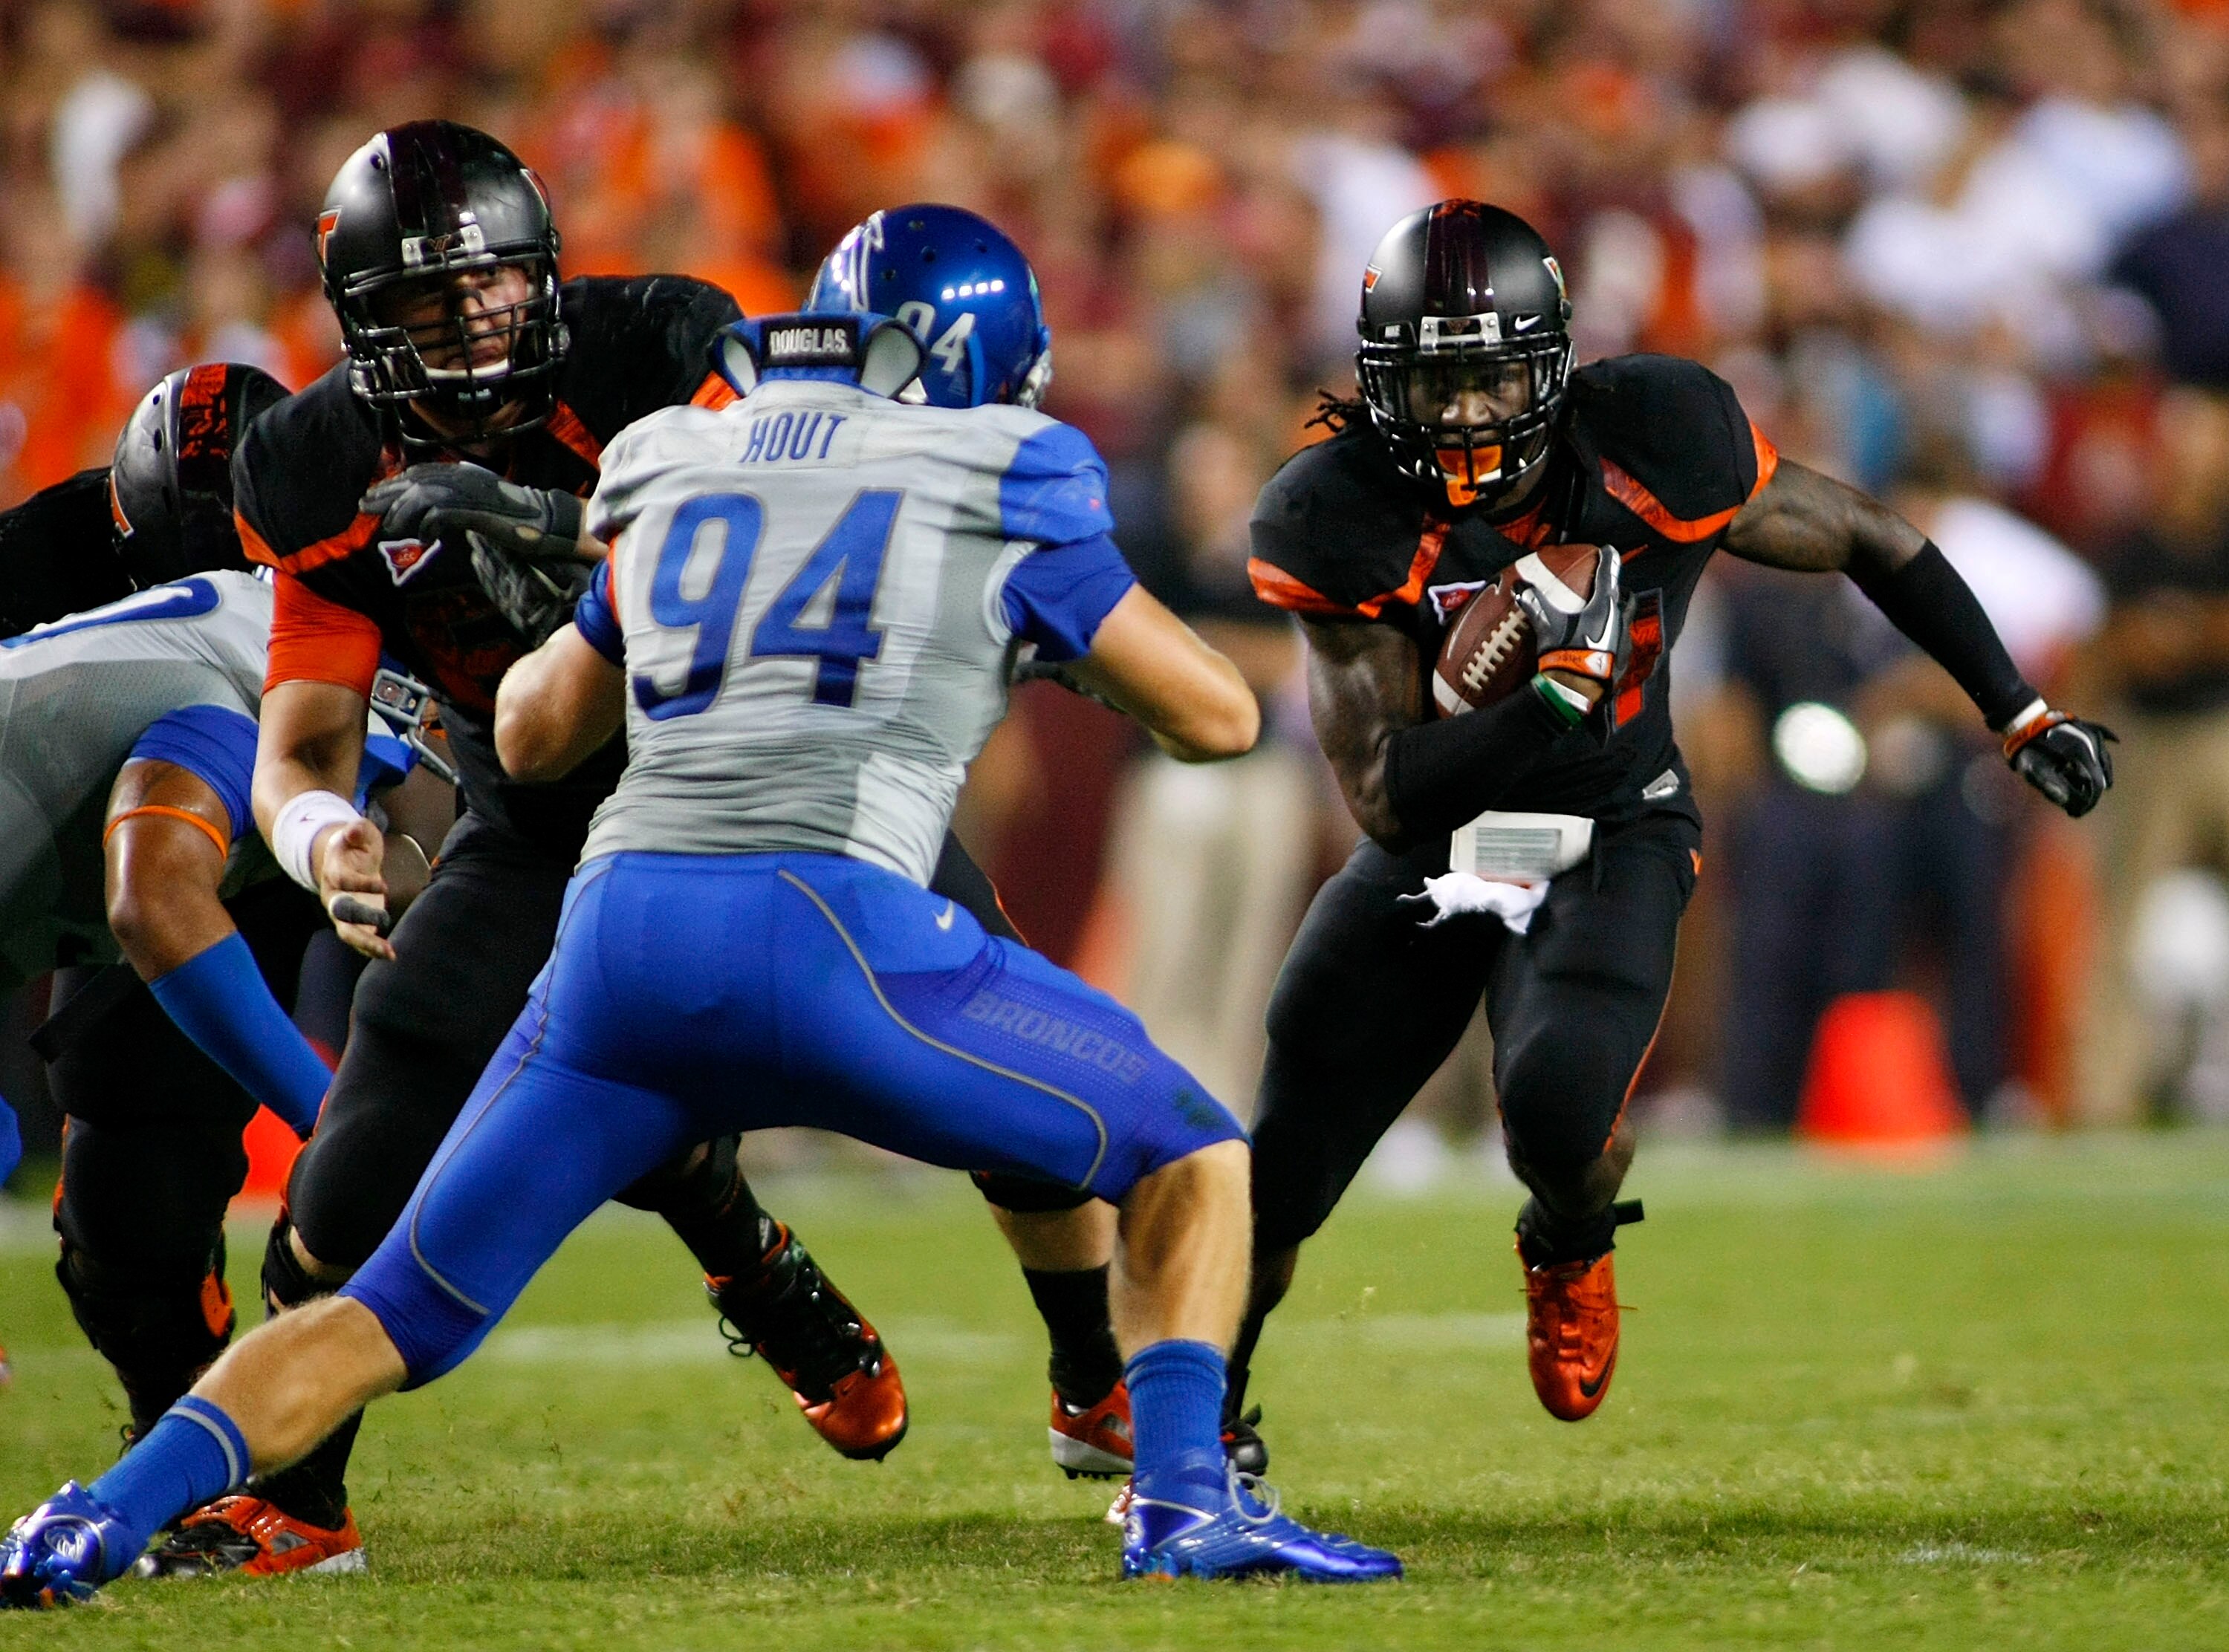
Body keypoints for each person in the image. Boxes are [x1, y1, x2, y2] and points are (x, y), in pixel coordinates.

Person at [0, 208, 1402, 1603]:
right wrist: (1053, 647)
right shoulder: (999, 467)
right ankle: (1180, 1502)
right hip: (837, 926)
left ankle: (93, 1520)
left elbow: (540, 733)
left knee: (387, 1311)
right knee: (1192, 1153)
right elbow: (1218, 719)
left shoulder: (679, 461)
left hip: (618, 939)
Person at [1218, 199, 2114, 1454]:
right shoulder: (1337, 511)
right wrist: (1544, 703)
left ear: (1553, 366)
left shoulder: (1656, 435)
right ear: (1379, 382)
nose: (1467, 414)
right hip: (1443, 843)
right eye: (1435, 383)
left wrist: (2017, 711)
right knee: (1285, 1158)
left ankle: (1569, 1239)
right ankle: (1195, 1421)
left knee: (1560, 1103)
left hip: (1605, 826)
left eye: (1490, 377)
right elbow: (1383, 792)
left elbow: (1871, 535)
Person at [0, 365, 421, 1463]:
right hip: (153, 848)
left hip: (195, 841)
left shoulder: (289, 610)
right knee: (126, 1198)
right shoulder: (220, 637)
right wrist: (330, 1124)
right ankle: (216, 1457)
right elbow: (152, 896)